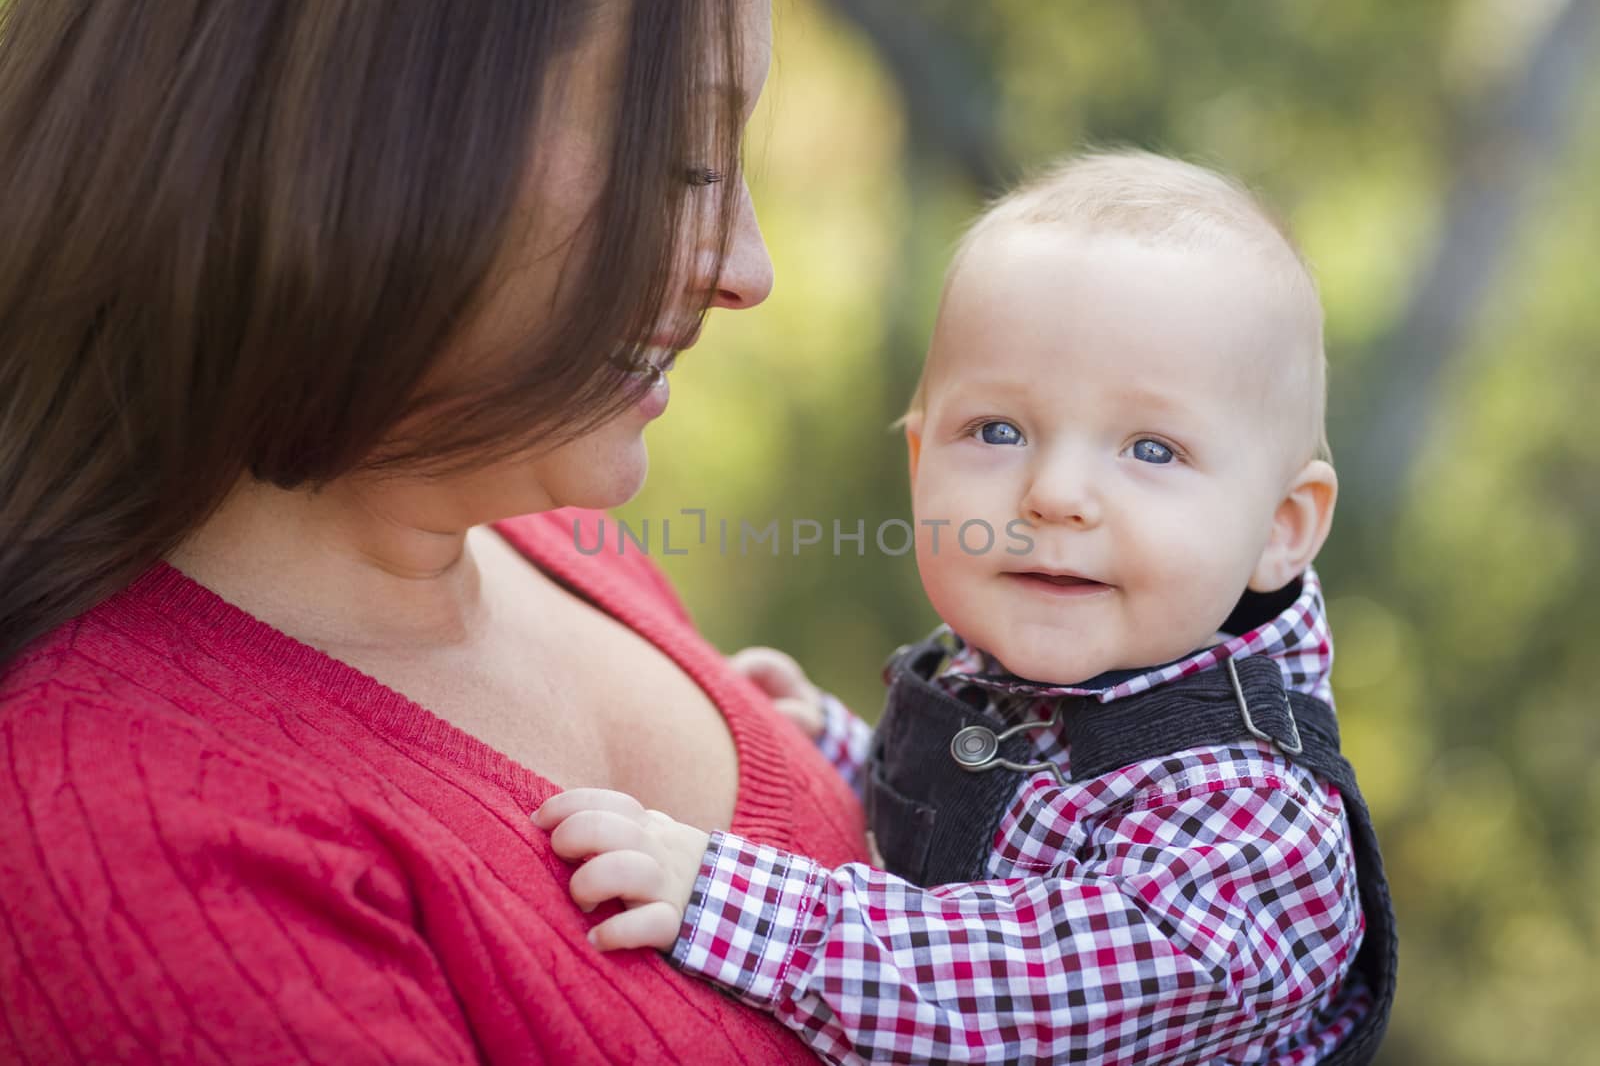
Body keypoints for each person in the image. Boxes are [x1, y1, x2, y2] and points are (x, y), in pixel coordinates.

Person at [0, 1, 873, 1062]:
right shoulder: (125, 850)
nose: (747, 269)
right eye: (684, 162)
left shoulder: (544, 536)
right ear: (359, 132)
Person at [536, 150, 1397, 1064]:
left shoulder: (1256, 825)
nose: (1056, 493)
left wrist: (726, 899)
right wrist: (833, 747)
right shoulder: (1016, 676)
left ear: (1281, 524)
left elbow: (1012, 988)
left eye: (1151, 449)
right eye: (997, 431)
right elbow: (988, 831)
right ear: (920, 466)